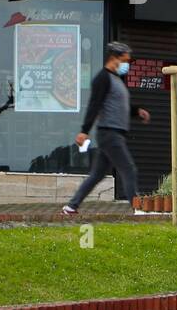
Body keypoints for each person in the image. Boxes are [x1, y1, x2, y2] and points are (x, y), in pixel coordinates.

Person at [63, 41, 150, 215]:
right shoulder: (102, 78)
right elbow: (94, 105)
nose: (127, 64)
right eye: (125, 60)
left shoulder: (117, 78)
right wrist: (84, 131)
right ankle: (137, 207)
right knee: (128, 168)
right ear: (114, 58)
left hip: (113, 133)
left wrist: (137, 111)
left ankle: (71, 206)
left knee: (97, 174)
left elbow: (119, 104)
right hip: (109, 133)